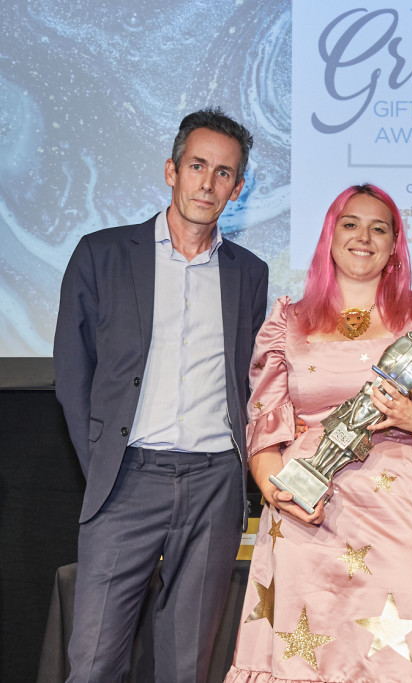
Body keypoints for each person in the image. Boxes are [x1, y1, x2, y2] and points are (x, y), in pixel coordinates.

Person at [54, 108, 268, 682]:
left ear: (238, 188)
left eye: (224, 173)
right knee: (95, 659)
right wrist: (102, 461)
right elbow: (73, 372)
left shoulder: (249, 272)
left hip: (215, 484)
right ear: (171, 170)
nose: (208, 182)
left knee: (185, 665)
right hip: (127, 479)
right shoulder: (101, 254)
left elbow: (247, 378)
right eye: (198, 165)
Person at [225, 184, 412, 682]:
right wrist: (277, 491)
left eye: (380, 228)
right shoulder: (286, 320)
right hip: (306, 507)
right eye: (350, 224)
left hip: (399, 512)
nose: (364, 236)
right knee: (307, 654)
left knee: (404, 655)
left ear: (396, 244)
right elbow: (265, 427)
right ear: (329, 235)